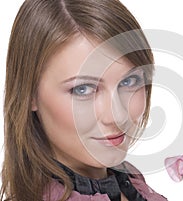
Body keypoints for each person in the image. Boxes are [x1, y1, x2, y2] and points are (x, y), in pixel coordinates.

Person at [1, 0, 167, 200]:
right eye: (83, 89)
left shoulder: (130, 181)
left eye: (129, 81)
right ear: (30, 95)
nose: (118, 115)